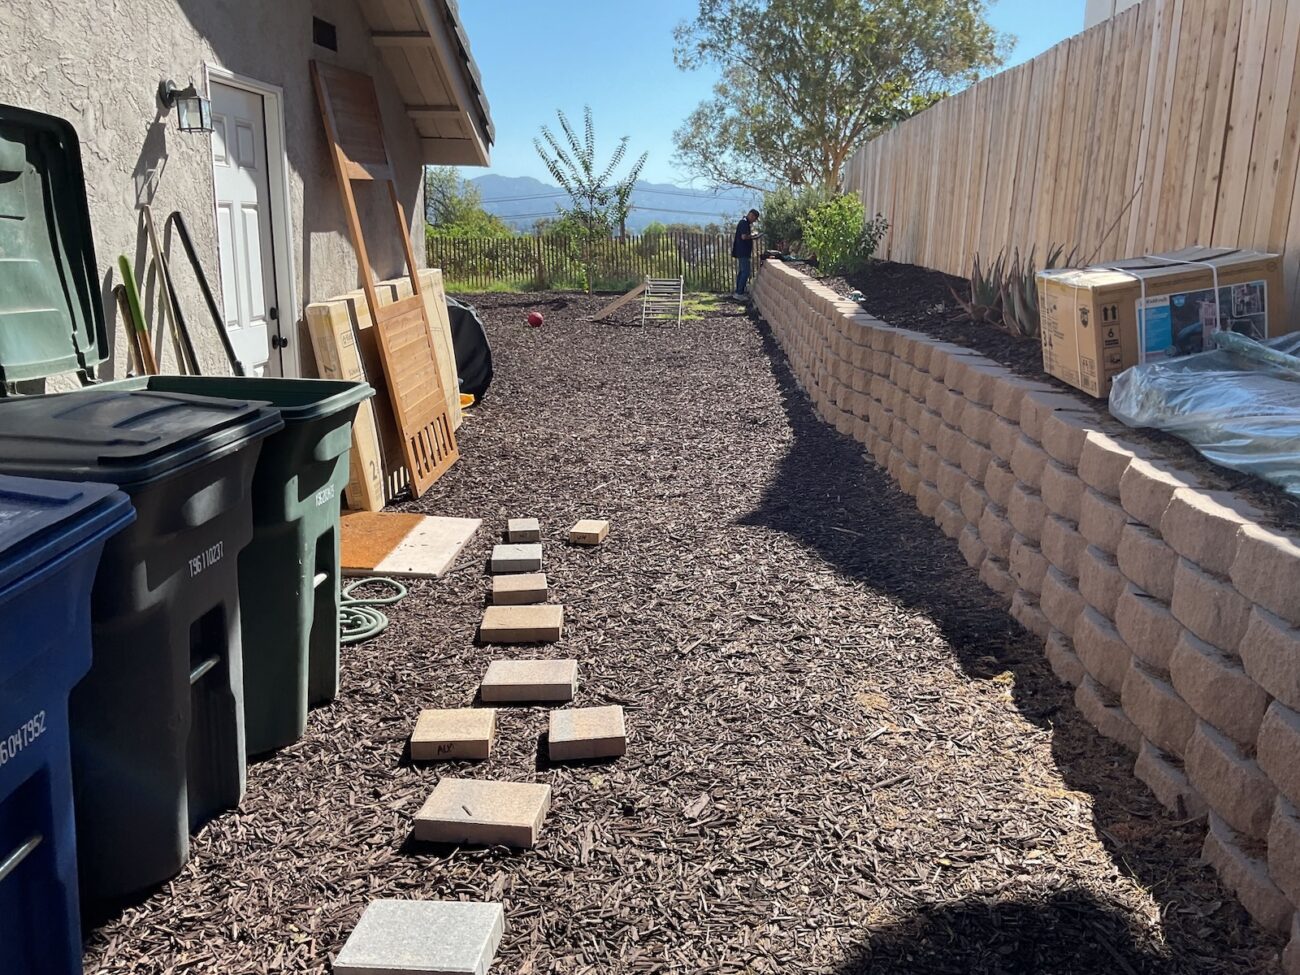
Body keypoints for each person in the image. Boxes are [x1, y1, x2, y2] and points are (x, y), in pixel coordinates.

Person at [731, 208, 760, 299]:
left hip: (742, 251)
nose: (754, 221)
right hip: (743, 251)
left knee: (742, 272)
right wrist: (754, 236)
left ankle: (738, 291)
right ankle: (739, 293)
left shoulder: (744, 222)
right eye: (754, 219)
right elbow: (743, 237)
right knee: (746, 272)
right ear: (751, 215)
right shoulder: (744, 223)